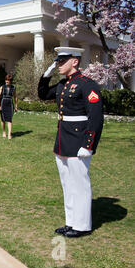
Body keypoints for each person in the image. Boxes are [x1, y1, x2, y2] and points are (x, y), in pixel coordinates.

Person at [38, 47, 104, 238]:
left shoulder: (87, 84)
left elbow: (96, 118)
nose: (58, 65)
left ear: (74, 61)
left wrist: (89, 145)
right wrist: (46, 75)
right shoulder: (63, 84)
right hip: (63, 139)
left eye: (62, 61)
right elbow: (43, 95)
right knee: (67, 184)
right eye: (57, 62)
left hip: (78, 141)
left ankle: (82, 225)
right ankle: (71, 222)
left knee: (80, 184)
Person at [0, 74, 18, 139]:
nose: (6, 82)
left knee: (9, 119)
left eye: (8, 81)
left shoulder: (13, 88)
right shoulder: (2, 87)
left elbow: (15, 97)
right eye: (6, 80)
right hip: (3, 103)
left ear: (10, 81)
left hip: (10, 103)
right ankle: (4, 132)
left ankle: (9, 134)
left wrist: (16, 106)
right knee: (3, 119)